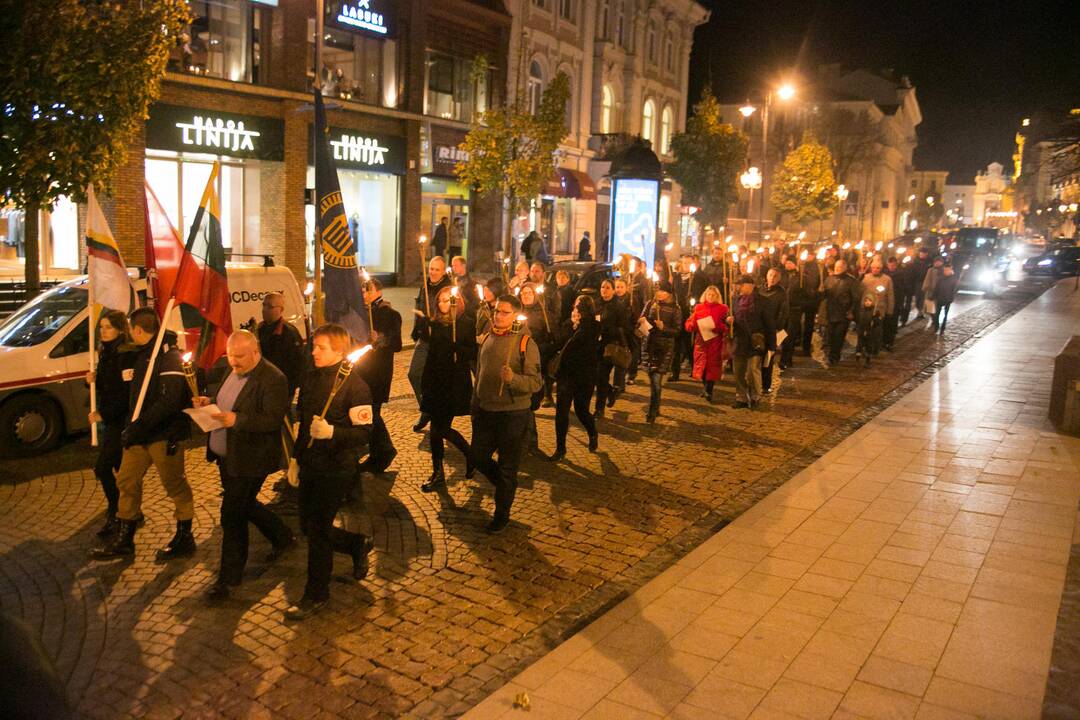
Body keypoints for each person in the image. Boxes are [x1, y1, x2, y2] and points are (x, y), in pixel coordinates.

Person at [197, 331, 294, 604]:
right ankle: (282, 535)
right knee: (245, 504)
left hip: (250, 460)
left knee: (232, 514)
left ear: (255, 351)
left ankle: (228, 578)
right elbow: (228, 399)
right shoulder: (234, 370)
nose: (234, 362)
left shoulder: (273, 378)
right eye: (230, 356)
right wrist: (209, 403)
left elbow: (272, 420)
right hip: (228, 456)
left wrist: (237, 420)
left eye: (239, 357)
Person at [286, 324, 375, 620]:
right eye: (314, 346)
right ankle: (355, 543)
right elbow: (303, 421)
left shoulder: (356, 386)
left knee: (319, 531)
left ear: (339, 350)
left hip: (337, 468)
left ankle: (316, 594)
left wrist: (332, 432)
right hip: (311, 463)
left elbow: (364, 433)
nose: (313, 352)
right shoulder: (310, 377)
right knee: (307, 526)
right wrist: (296, 459)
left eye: (321, 347)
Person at [92, 308, 195, 561]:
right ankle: (125, 537)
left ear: (138, 330)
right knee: (126, 480)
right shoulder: (141, 356)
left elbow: (169, 401)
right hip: (139, 435)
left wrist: (139, 426)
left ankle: (185, 535)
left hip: (163, 434)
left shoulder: (169, 357)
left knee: (174, 484)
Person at [472, 295, 542, 532]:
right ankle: (505, 483)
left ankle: (502, 513)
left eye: (504, 312)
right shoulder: (488, 337)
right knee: (478, 457)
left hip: (513, 414)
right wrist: (476, 402)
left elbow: (536, 382)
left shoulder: (525, 344)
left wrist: (513, 380)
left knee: (507, 466)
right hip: (486, 411)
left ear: (515, 315)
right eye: (496, 311)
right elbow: (480, 373)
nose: (498, 316)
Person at [418, 287, 477, 492]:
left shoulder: (465, 323)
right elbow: (427, 347)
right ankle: (442, 470)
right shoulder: (435, 324)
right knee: (437, 429)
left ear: (456, 301)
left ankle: (463, 459)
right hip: (435, 380)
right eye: (440, 301)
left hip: (454, 382)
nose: (443, 304)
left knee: (439, 429)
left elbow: (472, 351)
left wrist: (457, 348)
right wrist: (423, 325)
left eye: (447, 300)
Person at [85, 310, 136, 539]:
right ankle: (128, 511)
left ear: (120, 329)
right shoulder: (105, 352)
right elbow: (106, 386)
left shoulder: (124, 355)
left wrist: (103, 415)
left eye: (108, 327)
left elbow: (125, 394)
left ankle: (117, 513)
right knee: (118, 469)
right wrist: (91, 382)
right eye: (101, 327)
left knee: (104, 468)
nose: (103, 331)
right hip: (111, 421)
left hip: (120, 422)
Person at [357, 278, 402, 474]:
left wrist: (380, 338)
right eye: (363, 290)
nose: (364, 293)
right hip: (363, 371)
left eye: (368, 290)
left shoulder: (390, 314)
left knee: (372, 413)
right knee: (368, 413)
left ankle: (384, 450)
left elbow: (397, 344)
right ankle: (378, 452)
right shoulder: (362, 313)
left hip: (378, 374)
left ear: (378, 291)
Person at [550, 295, 600, 460]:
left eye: (577, 306)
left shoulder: (593, 326)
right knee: (561, 411)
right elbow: (560, 343)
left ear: (584, 309)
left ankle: (592, 432)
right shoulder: (569, 324)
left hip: (584, 375)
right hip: (566, 374)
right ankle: (560, 448)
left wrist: (578, 325)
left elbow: (585, 345)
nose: (574, 309)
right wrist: (570, 326)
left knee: (581, 410)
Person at [410, 256, 452, 432]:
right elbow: (419, 307)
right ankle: (426, 409)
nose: (433, 272)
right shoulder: (425, 286)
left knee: (436, 380)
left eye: (437, 269)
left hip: (440, 340)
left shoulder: (448, 289)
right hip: (425, 338)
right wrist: (416, 328)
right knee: (414, 374)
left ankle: (436, 415)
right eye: (431, 269)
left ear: (444, 271)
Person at [729, 274, 775, 409]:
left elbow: (769, 324)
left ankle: (755, 396)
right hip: (740, 340)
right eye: (739, 285)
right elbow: (733, 320)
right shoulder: (736, 301)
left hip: (755, 341)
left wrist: (772, 345)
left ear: (751, 285)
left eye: (742, 285)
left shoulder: (763, 301)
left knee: (752, 370)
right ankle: (741, 397)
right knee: (738, 370)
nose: (739, 287)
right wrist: (729, 321)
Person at [640, 279, 682, 423]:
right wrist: (642, 322)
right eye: (657, 290)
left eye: (662, 291)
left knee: (656, 380)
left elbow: (677, 331)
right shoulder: (651, 303)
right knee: (652, 379)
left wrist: (664, 328)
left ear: (668, 293)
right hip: (650, 345)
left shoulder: (675, 309)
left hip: (664, 348)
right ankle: (656, 406)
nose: (658, 293)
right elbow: (642, 318)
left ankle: (652, 412)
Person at [684, 285, 728, 403]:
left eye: (713, 295)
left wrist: (718, 327)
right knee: (702, 367)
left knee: (711, 367)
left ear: (717, 296)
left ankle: (709, 390)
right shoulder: (698, 308)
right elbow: (689, 324)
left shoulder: (723, 309)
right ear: (705, 295)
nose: (711, 297)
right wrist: (692, 325)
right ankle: (705, 388)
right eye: (709, 294)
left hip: (715, 342)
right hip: (701, 342)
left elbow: (727, 326)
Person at [257, 292, 305, 395]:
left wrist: (289, 389)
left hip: (282, 386)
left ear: (281, 309)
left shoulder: (289, 333)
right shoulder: (260, 329)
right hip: (264, 384)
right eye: (264, 305)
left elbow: (298, 365)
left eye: (270, 306)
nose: (264, 309)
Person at [594, 279, 629, 419]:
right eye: (602, 287)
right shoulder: (596, 304)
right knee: (597, 377)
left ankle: (599, 410)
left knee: (602, 375)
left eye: (608, 288)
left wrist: (607, 329)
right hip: (597, 345)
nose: (604, 290)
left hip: (610, 346)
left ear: (613, 290)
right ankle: (610, 391)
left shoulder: (618, 306)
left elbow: (624, 327)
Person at [521, 282, 556, 408]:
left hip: (538, 355)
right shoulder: (517, 312)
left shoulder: (544, 313)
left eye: (529, 293)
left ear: (535, 295)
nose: (526, 296)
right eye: (523, 293)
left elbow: (552, 338)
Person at [823, 259, 861, 367]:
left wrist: (851, 311)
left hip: (843, 313)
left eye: (840, 267)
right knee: (830, 335)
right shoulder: (829, 279)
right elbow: (825, 295)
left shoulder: (851, 281)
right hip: (831, 311)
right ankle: (830, 354)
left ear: (845, 268)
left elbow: (855, 298)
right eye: (836, 267)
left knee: (838, 336)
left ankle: (835, 356)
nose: (837, 269)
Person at [759, 268, 789, 395]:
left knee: (768, 357)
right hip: (759, 327)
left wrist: (778, 327)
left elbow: (783, 312)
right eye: (770, 275)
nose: (772, 278)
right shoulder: (760, 289)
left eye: (775, 276)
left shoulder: (781, 293)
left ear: (779, 278)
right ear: (766, 276)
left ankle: (766, 385)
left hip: (771, 329)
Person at [859, 258, 894, 361]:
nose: (875, 269)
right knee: (865, 329)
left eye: (878, 268)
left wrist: (890, 310)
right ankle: (864, 348)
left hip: (879, 309)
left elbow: (890, 296)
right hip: (866, 309)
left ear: (881, 268)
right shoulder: (865, 278)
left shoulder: (887, 279)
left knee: (876, 330)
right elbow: (860, 292)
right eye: (873, 267)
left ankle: (875, 348)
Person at [882, 256, 903, 350]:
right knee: (885, 321)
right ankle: (883, 341)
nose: (891, 267)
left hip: (896, 301)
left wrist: (900, 302)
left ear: (896, 265)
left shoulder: (900, 274)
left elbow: (902, 289)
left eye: (893, 265)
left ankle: (889, 342)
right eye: (889, 265)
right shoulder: (884, 274)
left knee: (892, 322)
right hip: (885, 301)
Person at [931, 264, 960, 334]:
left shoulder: (954, 279)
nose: (946, 271)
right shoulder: (940, 278)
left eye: (948, 270)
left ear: (951, 270)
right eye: (945, 270)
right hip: (940, 298)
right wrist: (933, 296)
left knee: (945, 314)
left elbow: (955, 289)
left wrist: (952, 296)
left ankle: (943, 328)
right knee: (937, 313)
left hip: (948, 299)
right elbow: (936, 288)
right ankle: (936, 327)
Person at [921, 255, 946, 329]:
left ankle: (935, 320)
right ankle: (934, 318)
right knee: (930, 308)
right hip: (931, 291)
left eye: (939, 262)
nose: (937, 263)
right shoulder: (931, 270)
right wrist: (926, 287)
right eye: (936, 262)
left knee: (937, 307)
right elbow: (927, 279)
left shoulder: (944, 270)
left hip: (940, 292)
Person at [911, 246, 933, 321]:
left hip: (925, 282)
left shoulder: (930, 262)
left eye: (923, 253)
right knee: (918, 297)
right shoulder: (915, 261)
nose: (922, 254)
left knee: (924, 297)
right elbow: (912, 271)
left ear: (926, 254)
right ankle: (919, 309)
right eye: (921, 253)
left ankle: (921, 311)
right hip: (917, 282)